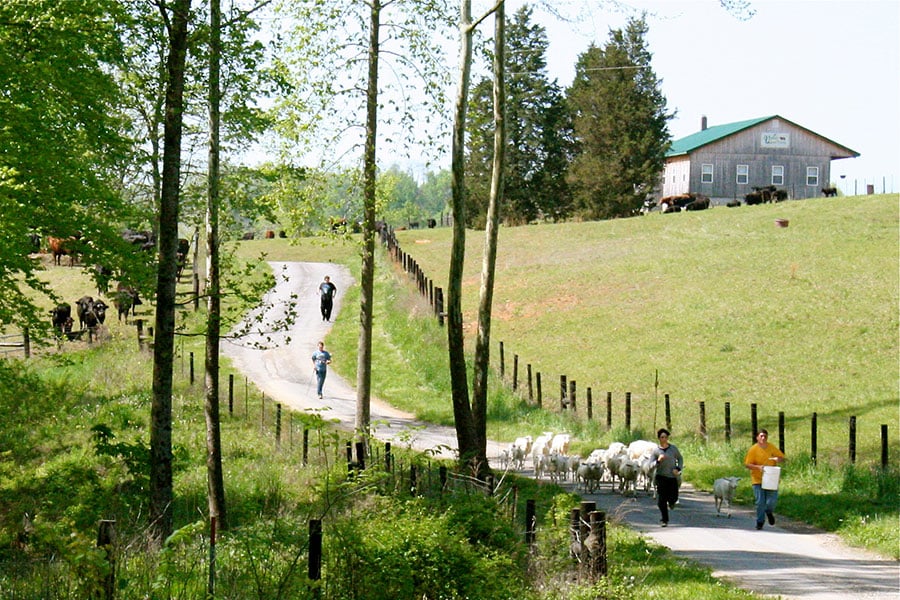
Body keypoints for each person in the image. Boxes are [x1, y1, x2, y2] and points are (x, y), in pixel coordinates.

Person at [744, 429, 786, 530]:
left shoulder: (771, 447)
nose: (763, 438)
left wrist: (778, 459)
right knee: (760, 502)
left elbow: (782, 458)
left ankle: (769, 511)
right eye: (761, 436)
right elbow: (747, 464)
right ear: (757, 437)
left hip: (771, 478)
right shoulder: (753, 449)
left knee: (771, 501)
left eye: (765, 436)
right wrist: (758, 467)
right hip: (757, 479)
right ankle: (760, 521)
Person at [650, 428, 683, 527]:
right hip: (661, 477)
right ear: (659, 438)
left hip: (672, 477)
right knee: (661, 501)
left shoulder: (673, 449)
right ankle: (664, 520)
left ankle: (672, 502)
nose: (664, 439)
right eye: (662, 437)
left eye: (666, 437)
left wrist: (678, 468)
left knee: (673, 497)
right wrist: (658, 461)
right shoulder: (656, 451)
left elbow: (680, 458)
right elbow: (650, 465)